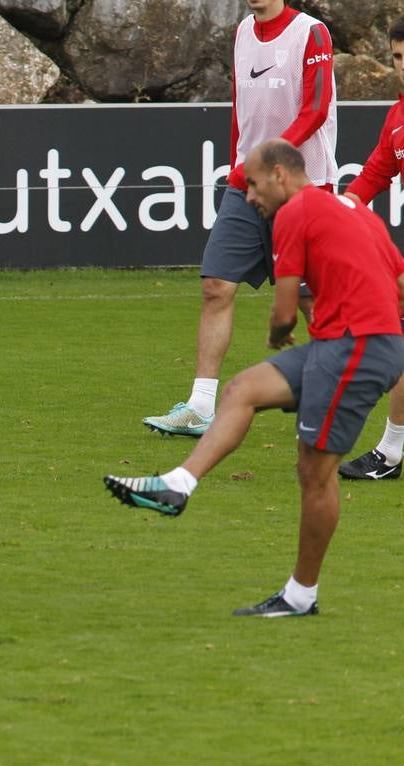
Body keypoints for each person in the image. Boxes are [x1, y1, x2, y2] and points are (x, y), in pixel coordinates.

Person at [107, 140, 404, 617]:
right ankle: (176, 485)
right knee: (242, 391)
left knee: (316, 474)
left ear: (281, 175)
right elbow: (400, 285)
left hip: (356, 347)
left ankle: (300, 596)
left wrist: (278, 334)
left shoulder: (292, 214)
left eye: (252, 184)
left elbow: (285, 310)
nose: (248, 197)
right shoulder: (355, 211)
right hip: (355, 344)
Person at [144, 0, 336, 436]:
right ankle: (200, 405)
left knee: (312, 302)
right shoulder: (242, 33)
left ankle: (333, 400)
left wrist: (268, 158)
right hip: (246, 184)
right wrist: (242, 163)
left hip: (303, 187)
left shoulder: (312, 32)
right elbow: (239, 108)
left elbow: (317, 108)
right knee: (215, 285)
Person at [335, 15, 404, 481]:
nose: (403, 66)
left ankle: (391, 452)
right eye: (398, 58)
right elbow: (377, 171)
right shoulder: (398, 116)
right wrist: (344, 206)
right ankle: (391, 452)